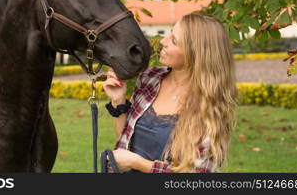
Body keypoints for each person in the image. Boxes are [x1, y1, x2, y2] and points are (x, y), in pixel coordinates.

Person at [102, 12, 237, 173]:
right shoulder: (149, 78)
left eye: (174, 41)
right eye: (169, 33)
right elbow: (126, 139)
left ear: (195, 54)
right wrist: (118, 101)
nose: (163, 42)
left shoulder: (211, 106)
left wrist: (137, 163)